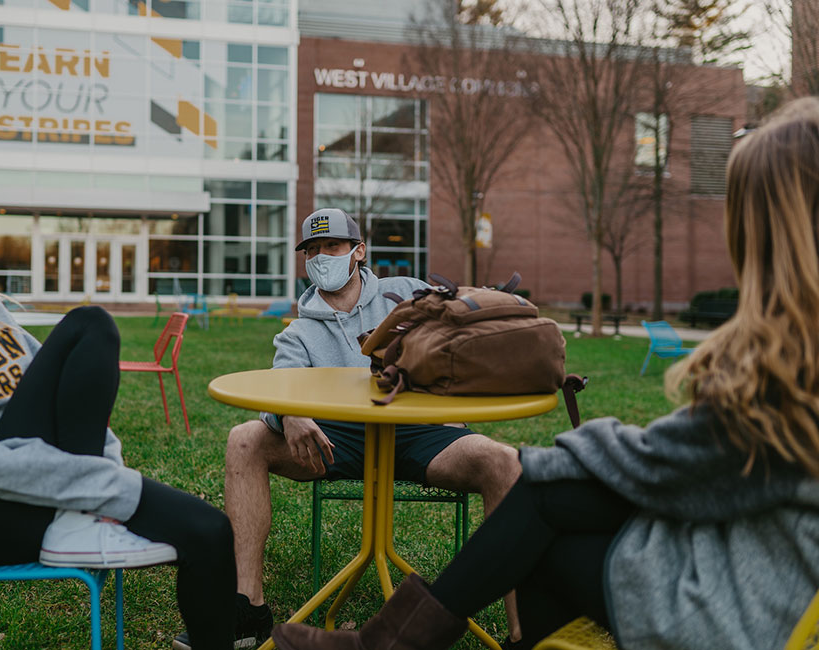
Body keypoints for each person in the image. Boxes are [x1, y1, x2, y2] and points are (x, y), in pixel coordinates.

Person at [270, 98, 819, 650]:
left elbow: (668, 466)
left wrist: (557, 458)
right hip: (757, 566)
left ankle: (386, 645)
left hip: (738, 600)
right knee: (538, 513)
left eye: (741, 214)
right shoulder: (798, 347)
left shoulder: (794, 360)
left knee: (536, 503)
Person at [0, 165, 237, 650]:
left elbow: (70, 397)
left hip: (52, 483)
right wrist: (99, 489)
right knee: (90, 322)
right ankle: (79, 516)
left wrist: (104, 475)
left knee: (212, 532)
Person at [173, 208, 523, 650]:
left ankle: (523, 632)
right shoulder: (299, 330)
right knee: (244, 438)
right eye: (312, 250)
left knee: (503, 461)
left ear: (358, 251)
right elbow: (282, 380)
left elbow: (461, 328)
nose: (321, 257)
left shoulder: (407, 293)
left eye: (332, 247)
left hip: (422, 432)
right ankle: (247, 612)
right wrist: (290, 414)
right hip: (339, 441)